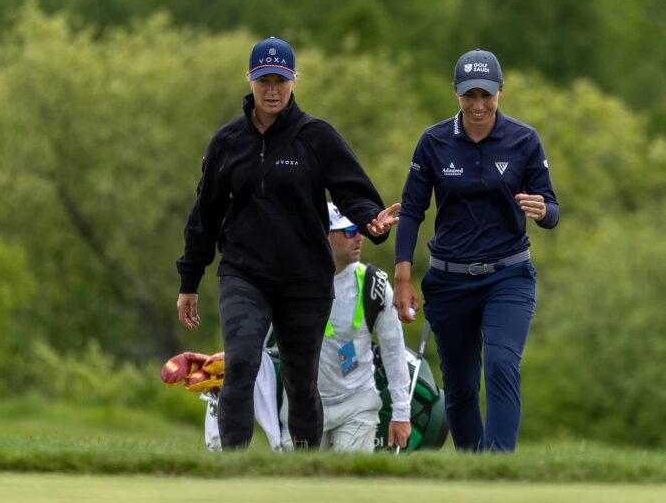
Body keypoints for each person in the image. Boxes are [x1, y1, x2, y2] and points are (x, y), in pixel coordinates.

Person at [175, 36, 400, 451]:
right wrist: (189, 280)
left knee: (300, 383)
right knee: (240, 366)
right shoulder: (227, 142)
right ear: (250, 80)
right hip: (244, 274)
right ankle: (234, 470)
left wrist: (373, 222)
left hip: (304, 278)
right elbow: (205, 216)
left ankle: (305, 468)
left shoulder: (316, 136)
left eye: (280, 80)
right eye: (264, 81)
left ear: (294, 80)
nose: (272, 90)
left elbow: (354, 194)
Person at [391, 48, 559, 453]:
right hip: (449, 281)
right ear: (456, 92)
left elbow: (552, 210)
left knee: (502, 364)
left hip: (509, 275)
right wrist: (402, 276)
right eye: (470, 95)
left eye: (486, 94)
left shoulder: (524, 140)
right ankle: (473, 467)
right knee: (460, 386)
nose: (478, 105)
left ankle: (498, 467)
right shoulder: (433, 142)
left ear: (501, 91)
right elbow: (412, 210)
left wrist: (543, 211)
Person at [280, 203, 412, 452]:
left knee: (348, 474)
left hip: (358, 403)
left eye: (360, 229)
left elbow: (393, 350)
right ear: (323, 234)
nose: (360, 237)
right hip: (302, 404)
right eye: (350, 231)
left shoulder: (374, 283)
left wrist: (401, 412)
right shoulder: (289, 281)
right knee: (301, 476)